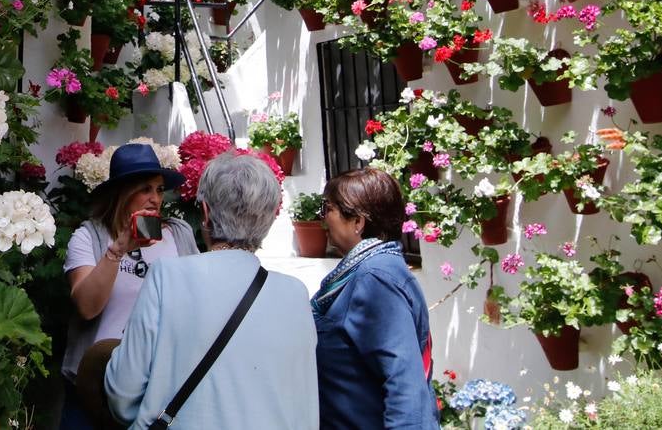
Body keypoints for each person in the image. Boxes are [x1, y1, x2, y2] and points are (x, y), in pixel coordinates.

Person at [104, 152, 319, 429]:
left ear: (205, 213)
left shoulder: (168, 276)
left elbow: (122, 393)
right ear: (268, 219)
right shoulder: (295, 294)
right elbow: (305, 407)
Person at [59, 143, 197, 430]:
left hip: (157, 385)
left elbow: (198, 300)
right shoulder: (90, 237)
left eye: (159, 190)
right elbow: (87, 307)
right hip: (94, 384)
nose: (155, 198)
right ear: (121, 193)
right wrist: (118, 249)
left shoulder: (178, 235)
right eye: (145, 189)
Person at [313, 167, 440, 429]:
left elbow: (405, 388)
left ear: (358, 222)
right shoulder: (371, 271)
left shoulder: (376, 278)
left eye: (328, 209)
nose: (322, 218)